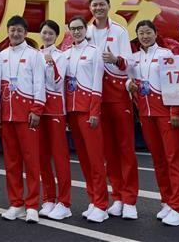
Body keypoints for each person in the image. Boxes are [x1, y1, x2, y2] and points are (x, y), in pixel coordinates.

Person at [127, 20, 179, 226]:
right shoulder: (134, 58)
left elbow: (175, 83)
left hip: (165, 113)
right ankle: (167, 201)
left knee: (174, 159)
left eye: (148, 32)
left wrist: (175, 112)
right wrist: (130, 85)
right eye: (141, 33)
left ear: (155, 33)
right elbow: (128, 80)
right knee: (158, 159)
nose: (144, 36)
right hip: (145, 114)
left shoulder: (165, 54)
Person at [86, 0, 138, 219]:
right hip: (95, 96)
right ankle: (117, 196)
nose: (98, 8)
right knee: (108, 149)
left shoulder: (119, 31)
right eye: (94, 5)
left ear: (108, 6)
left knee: (125, 147)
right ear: (90, 8)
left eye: (102, 4)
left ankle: (130, 199)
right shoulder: (85, 32)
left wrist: (115, 59)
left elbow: (129, 64)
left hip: (117, 93)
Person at [0, 15, 46, 223]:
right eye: (12, 30)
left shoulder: (35, 55)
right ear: (7, 32)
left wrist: (37, 109)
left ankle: (33, 204)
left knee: (31, 161)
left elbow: (39, 83)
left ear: (26, 33)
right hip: (7, 115)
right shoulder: (1, 55)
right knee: (11, 162)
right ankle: (16, 203)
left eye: (19, 30)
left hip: (28, 114)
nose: (15, 34)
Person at [63, 15, 109, 223]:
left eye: (80, 28)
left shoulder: (94, 52)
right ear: (68, 31)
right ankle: (93, 199)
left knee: (95, 159)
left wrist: (94, 112)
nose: (76, 32)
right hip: (72, 113)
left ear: (85, 30)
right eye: (73, 29)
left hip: (88, 112)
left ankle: (101, 204)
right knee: (83, 159)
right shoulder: (66, 54)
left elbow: (97, 84)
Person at [38, 19, 72, 221]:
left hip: (55, 110)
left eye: (51, 33)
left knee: (60, 158)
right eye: (44, 32)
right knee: (42, 157)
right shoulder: (35, 54)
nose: (47, 36)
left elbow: (56, 82)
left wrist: (50, 63)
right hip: (38, 110)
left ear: (56, 36)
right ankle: (49, 198)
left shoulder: (61, 56)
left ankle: (64, 202)